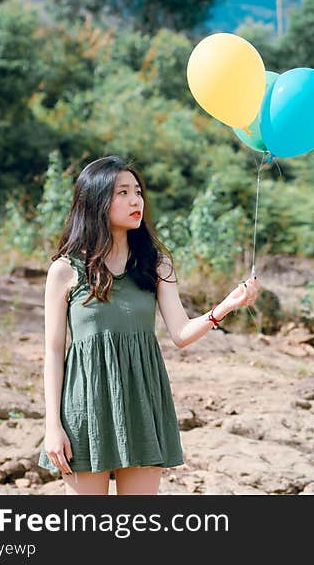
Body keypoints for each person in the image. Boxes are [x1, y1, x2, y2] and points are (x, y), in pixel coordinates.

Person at [37, 155, 259, 495]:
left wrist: (225, 306)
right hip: (85, 404)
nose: (135, 201)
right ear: (95, 201)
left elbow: (181, 333)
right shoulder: (66, 271)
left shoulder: (155, 264)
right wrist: (53, 426)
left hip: (142, 401)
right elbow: (53, 351)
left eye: (137, 192)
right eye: (122, 193)